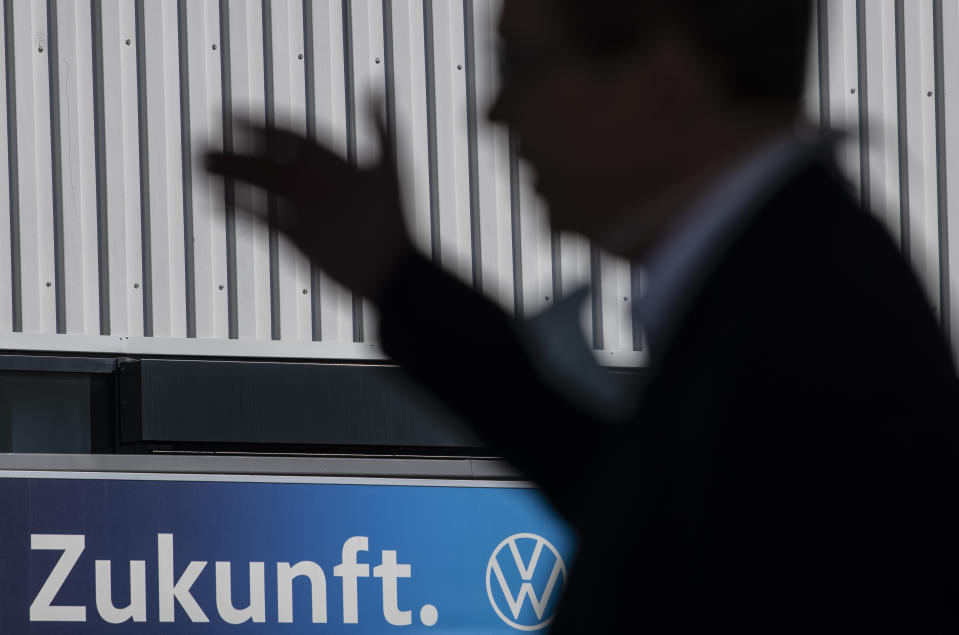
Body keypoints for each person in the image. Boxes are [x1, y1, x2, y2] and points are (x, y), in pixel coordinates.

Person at [207, 0, 959, 631]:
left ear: (664, 75)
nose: (494, 113)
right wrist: (398, 282)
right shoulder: (776, 287)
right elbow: (641, 507)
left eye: (518, 63)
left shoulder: (810, 331)